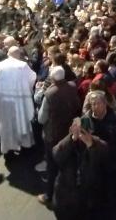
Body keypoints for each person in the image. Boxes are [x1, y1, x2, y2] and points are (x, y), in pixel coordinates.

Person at [37, 66, 81, 207]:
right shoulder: (72, 86)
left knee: (52, 166)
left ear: (52, 78)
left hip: (52, 135)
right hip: (68, 133)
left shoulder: (50, 94)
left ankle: (49, 195)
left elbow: (41, 119)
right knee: (67, 164)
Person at [0, 45, 37, 155]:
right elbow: (32, 78)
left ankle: (8, 150)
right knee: (21, 123)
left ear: (8, 54)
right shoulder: (22, 65)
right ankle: (25, 146)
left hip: (4, 102)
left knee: (7, 125)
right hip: (20, 101)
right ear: (18, 55)